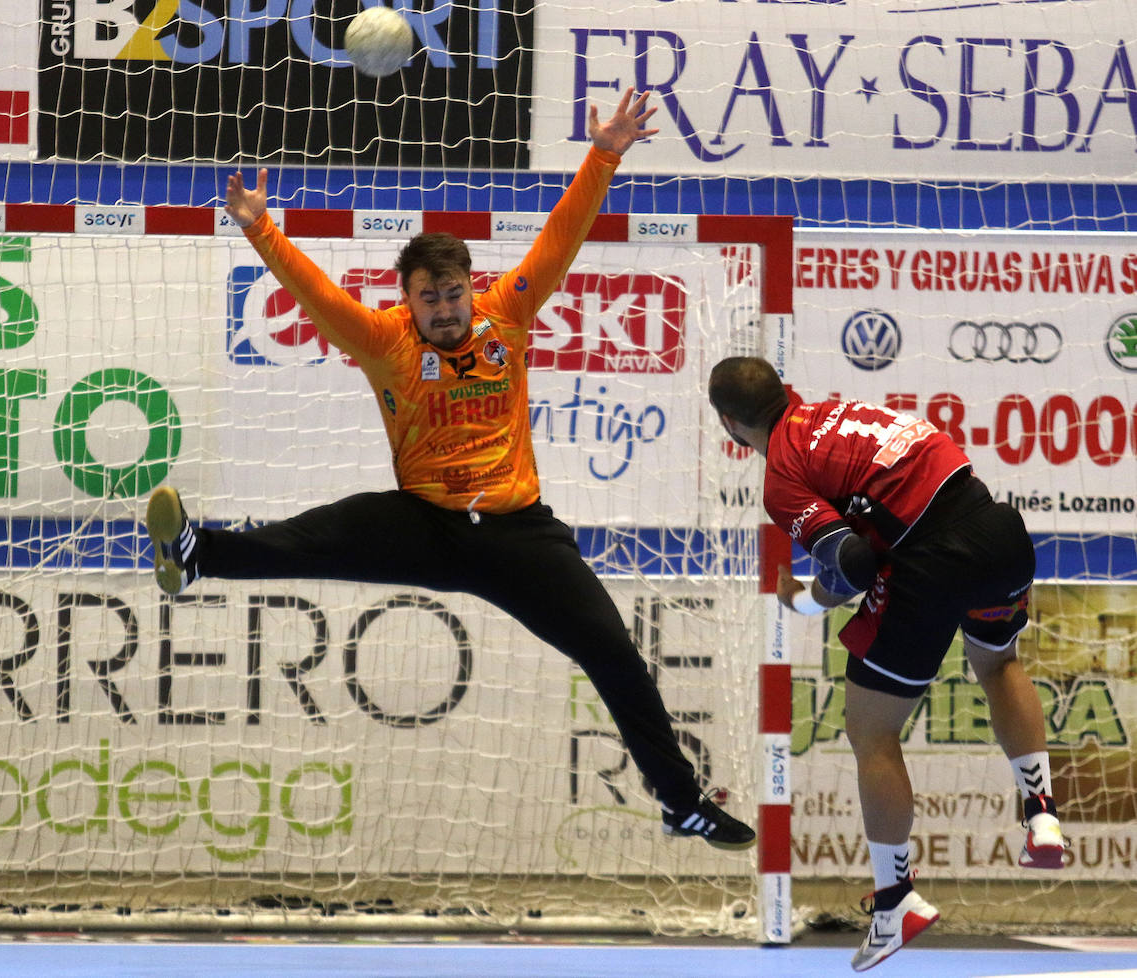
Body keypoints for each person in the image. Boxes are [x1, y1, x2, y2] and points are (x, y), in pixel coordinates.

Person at [145, 88, 755, 851]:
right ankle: (197, 553)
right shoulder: (382, 340)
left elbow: (560, 240)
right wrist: (261, 227)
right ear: (407, 299)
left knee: (613, 651)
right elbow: (313, 290)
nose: (445, 308)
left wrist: (604, 155)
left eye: (454, 292)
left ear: (474, 286)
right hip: (425, 521)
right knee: (317, 535)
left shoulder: (509, 314)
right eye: (429, 297)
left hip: (519, 532)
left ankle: (680, 801)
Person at [707, 356, 1068, 970]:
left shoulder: (782, 474)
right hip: (1001, 534)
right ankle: (1042, 815)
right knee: (999, 663)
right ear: (786, 390)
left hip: (931, 563)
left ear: (730, 424)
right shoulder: (845, 411)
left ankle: (896, 901)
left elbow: (852, 566)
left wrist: (804, 602)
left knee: (871, 731)